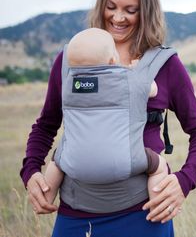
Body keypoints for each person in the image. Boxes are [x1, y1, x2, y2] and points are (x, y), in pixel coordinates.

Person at [20, 0, 196, 237]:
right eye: (111, 6)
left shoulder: (165, 65)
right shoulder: (72, 60)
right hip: (76, 214)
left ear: (145, 11)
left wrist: (184, 181)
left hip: (143, 212)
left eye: (130, 10)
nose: (118, 18)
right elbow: (46, 125)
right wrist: (31, 173)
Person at [43, 27, 165, 206]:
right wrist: (135, 72)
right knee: (158, 166)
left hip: (73, 163)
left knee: (56, 161)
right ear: (112, 59)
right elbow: (153, 90)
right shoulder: (129, 81)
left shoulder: (68, 85)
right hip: (123, 163)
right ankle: (156, 205)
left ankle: (46, 197)